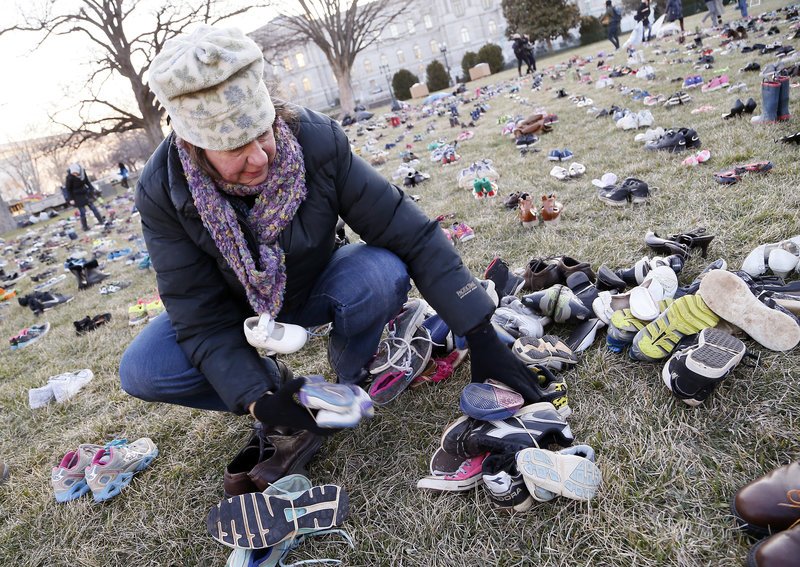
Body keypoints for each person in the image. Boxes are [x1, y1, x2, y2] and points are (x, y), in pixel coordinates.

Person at [119, 26, 554, 472]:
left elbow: (409, 232)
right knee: (144, 368)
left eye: (263, 132)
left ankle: (352, 374)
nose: (260, 157)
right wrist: (261, 399)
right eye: (234, 147)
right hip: (237, 313)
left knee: (381, 271)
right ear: (194, 146)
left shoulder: (314, 139)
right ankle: (289, 392)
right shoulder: (163, 191)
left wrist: (480, 333)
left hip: (317, 282)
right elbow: (199, 317)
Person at [64, 163, 105, 231]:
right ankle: (85, 227)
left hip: (85, 193)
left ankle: (101, 221)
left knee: (93, 208)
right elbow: (68, 189)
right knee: (82, 212)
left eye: (76, 173)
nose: (75, 175)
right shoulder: (69, 177)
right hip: (76, 196)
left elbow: (87, 182)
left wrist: (92, 189)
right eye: (73, 173)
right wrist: (70, 199)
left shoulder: (82, 173)